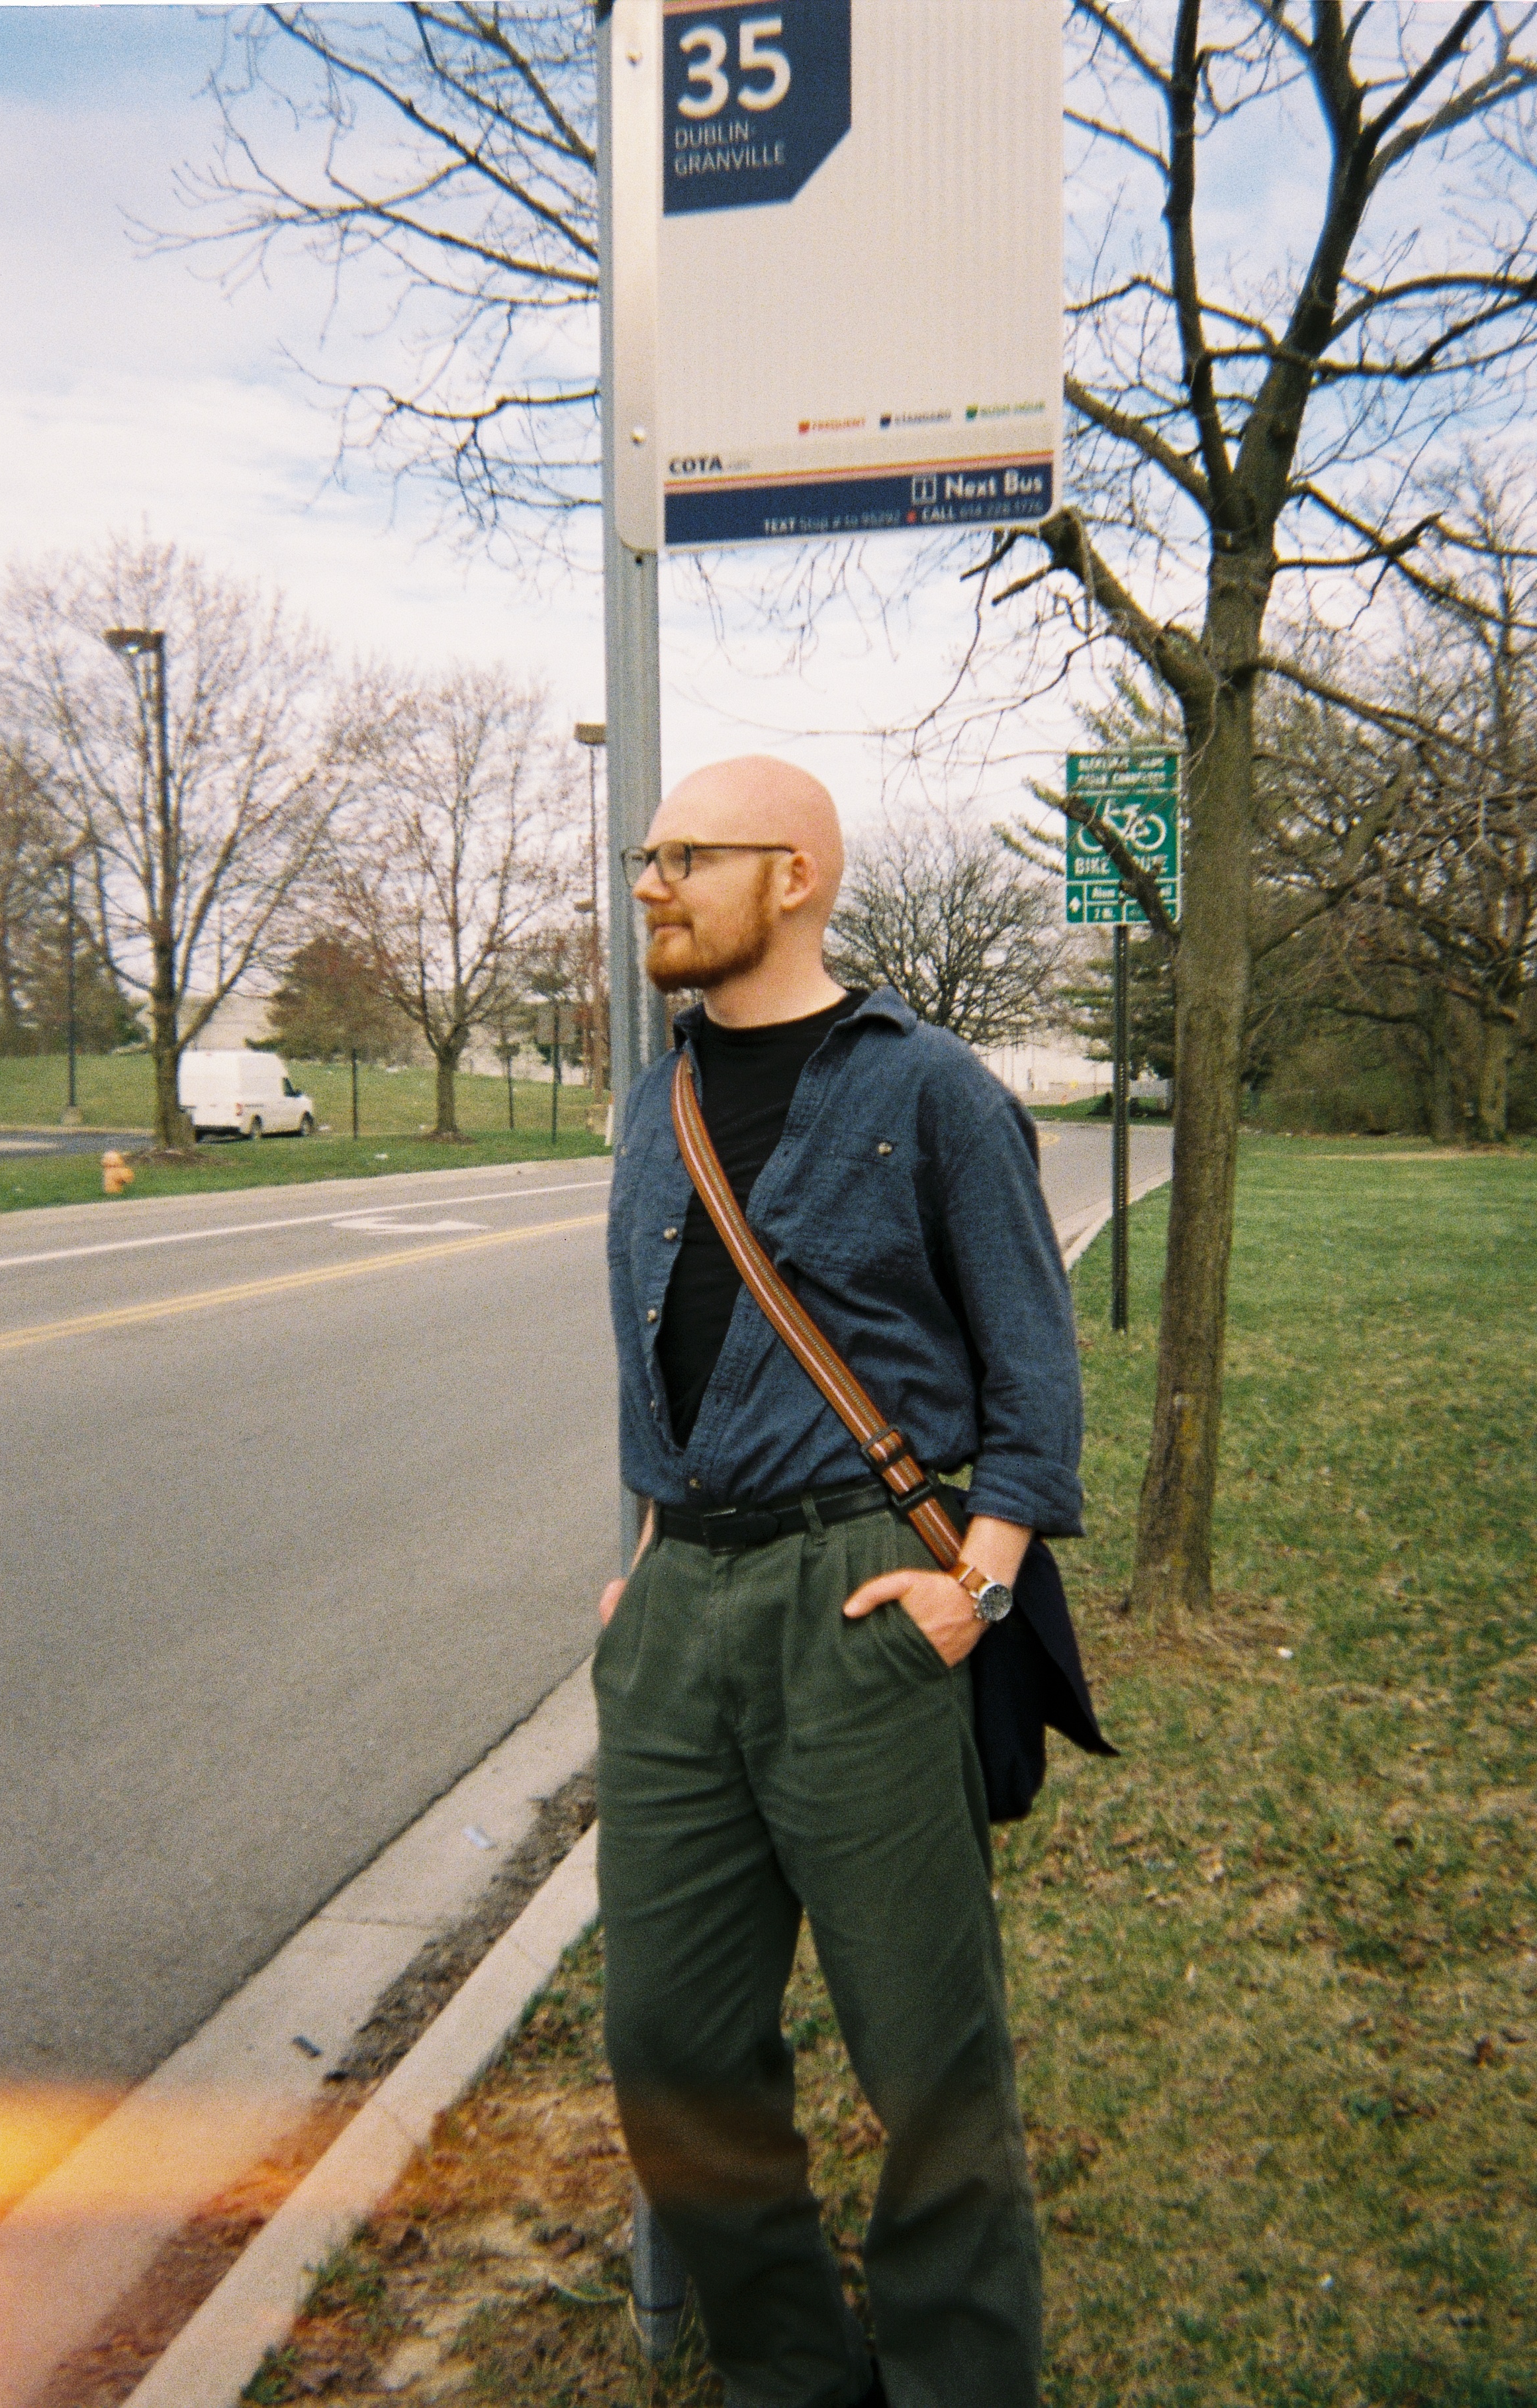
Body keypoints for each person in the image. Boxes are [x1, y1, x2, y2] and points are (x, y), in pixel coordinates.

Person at [596, 755, 1084, 2408]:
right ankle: (796, 2373)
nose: (649, 882)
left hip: (865, 1601)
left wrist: (977, 1583)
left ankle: (956, 2379)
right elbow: (657, 1358)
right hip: (679, 1614)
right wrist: (646, 1562)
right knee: (667, 2048)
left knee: (927, 2063)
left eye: (684, 854)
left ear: (793, 874)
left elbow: (1031, 1373)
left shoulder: (930, 1087)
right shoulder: (652, 1102)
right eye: (645, 854)